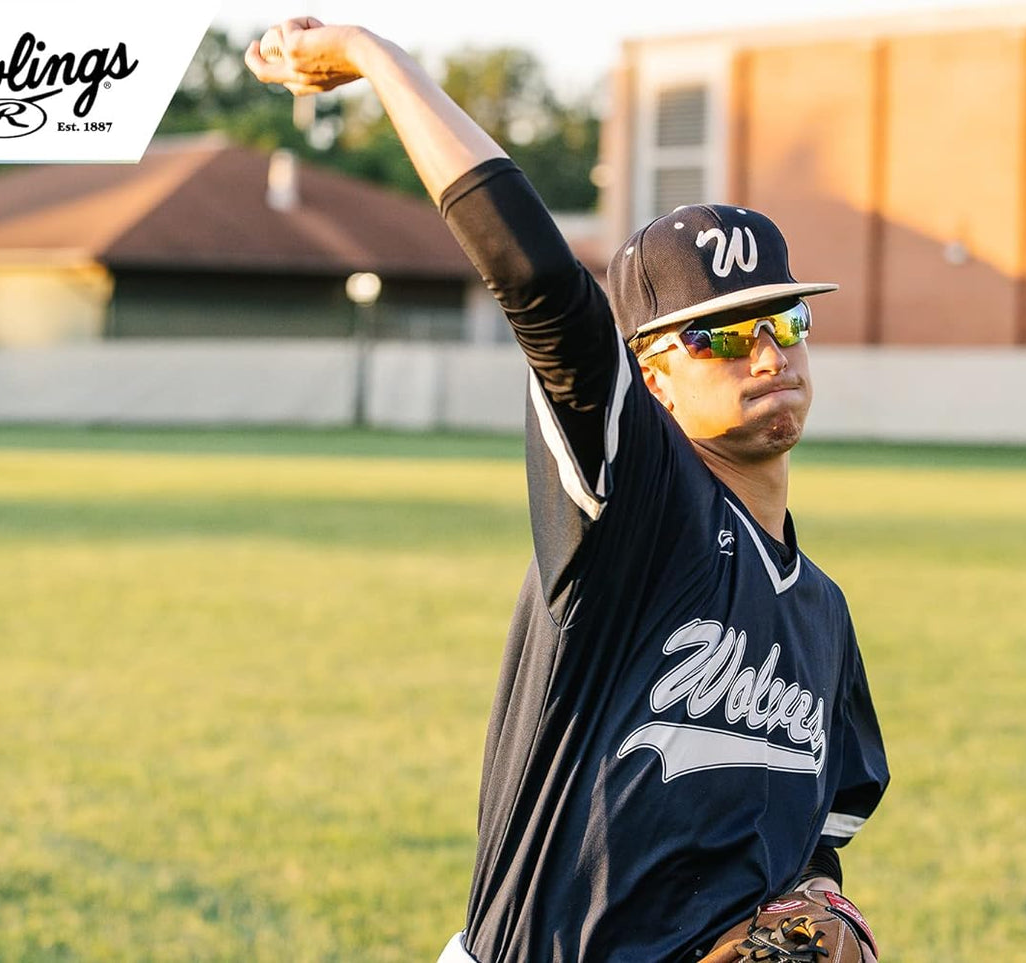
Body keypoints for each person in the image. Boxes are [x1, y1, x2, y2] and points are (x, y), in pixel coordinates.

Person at [245, 19, 889, 963]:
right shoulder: (635, 506)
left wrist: (823, 911)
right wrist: (383, 63)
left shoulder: (822, 616)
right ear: (649, 379)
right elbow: (540, 283)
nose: (766, 351)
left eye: (783, 320)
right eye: (716, 335)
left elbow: (821, 827)